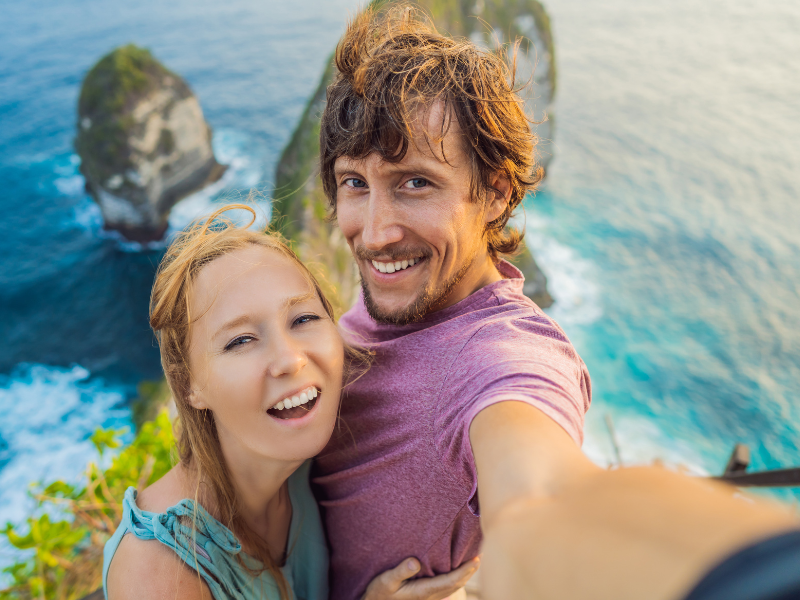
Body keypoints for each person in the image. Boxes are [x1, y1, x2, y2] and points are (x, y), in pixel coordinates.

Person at [311, 6, 800, 600]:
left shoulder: (498, 360)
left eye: (416, 182)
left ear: (493, 192)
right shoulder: (385, 311)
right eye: (354, 182)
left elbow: (541, 498)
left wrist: (755, 576)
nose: (376, 230)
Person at [102, 206, 475, 600]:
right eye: (240, 341)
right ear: (190, 384)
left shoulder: (316, 467)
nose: (290, 359)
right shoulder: (159, 572)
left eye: (303, 319)